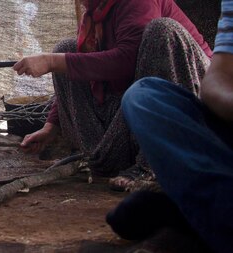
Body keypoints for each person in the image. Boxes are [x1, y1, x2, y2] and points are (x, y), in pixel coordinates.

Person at [14, 0, 213, 191]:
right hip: (138, 102)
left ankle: (156, 164)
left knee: (162, 32)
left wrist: (51, 62)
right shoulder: (95, 13)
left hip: (194, 101)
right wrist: (51, 127)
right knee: (66, 49)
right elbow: (86, 69)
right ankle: (104, 157)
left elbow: (129, 59)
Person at [107, 1, 233, 251]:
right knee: (143, 96)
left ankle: (193, 213)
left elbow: (124, 59)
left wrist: (54, 61)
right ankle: (204, 210)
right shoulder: (98, 16)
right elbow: (218, 78)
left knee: (161, 30)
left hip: (191, 75)